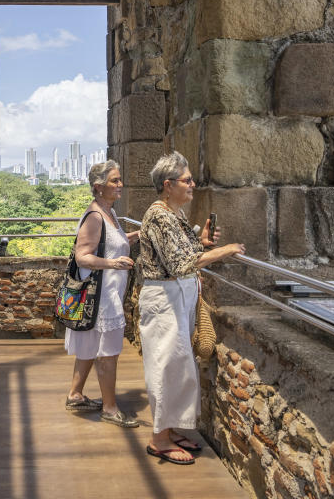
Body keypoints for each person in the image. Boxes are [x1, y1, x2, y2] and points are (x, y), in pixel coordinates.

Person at [137, 152, 245, 464]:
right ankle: (158, 438)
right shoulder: (159, 216)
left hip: (176, 297)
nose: (192, 184)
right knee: (165, 366)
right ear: (168, 185)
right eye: (187, 180)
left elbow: (187, 251)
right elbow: (180, 262)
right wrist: (224, 251)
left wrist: (206, 244)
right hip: (164, 299)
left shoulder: (175, 214)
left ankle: (168, 430)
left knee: (179, 365)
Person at [64, 160, 141, 428]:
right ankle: (109, 408)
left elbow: (110, 242)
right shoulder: (96, 216)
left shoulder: (109, 213)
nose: (120, 185)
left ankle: (75, 395)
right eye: (114, 181)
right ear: (98, 187)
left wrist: (136, 235)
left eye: (120, 180)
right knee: (108, 352)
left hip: (105, 294)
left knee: (88, 346)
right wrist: (114, 263)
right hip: (102, 297)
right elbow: (82, 256)